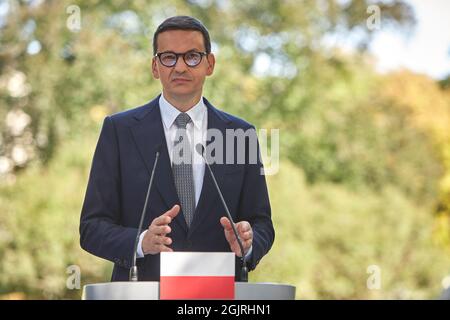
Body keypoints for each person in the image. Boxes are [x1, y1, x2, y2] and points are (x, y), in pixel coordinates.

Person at [79, 16, 274, 281]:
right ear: (155, 66)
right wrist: (141, 241)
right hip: (142, 293)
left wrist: (248, 243)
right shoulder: (119, 130)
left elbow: (262, 224)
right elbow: (91, 228)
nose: (180, 67)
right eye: (169, 57)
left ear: (210, 64)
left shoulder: (240, 134)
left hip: (219, 295)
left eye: (192, 56)